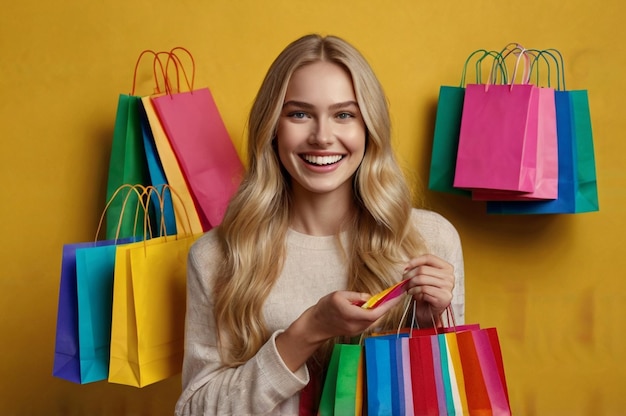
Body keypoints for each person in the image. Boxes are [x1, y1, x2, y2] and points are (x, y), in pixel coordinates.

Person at [175, 33, 464, 416]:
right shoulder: (217, 256)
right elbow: (194, 411)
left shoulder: (430, 239)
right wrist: (308, 330)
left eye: (344, 114)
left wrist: (426, 324)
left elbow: (446, 400)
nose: (322, 137)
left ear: (368, 128)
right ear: (272, 127)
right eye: (299, 113)